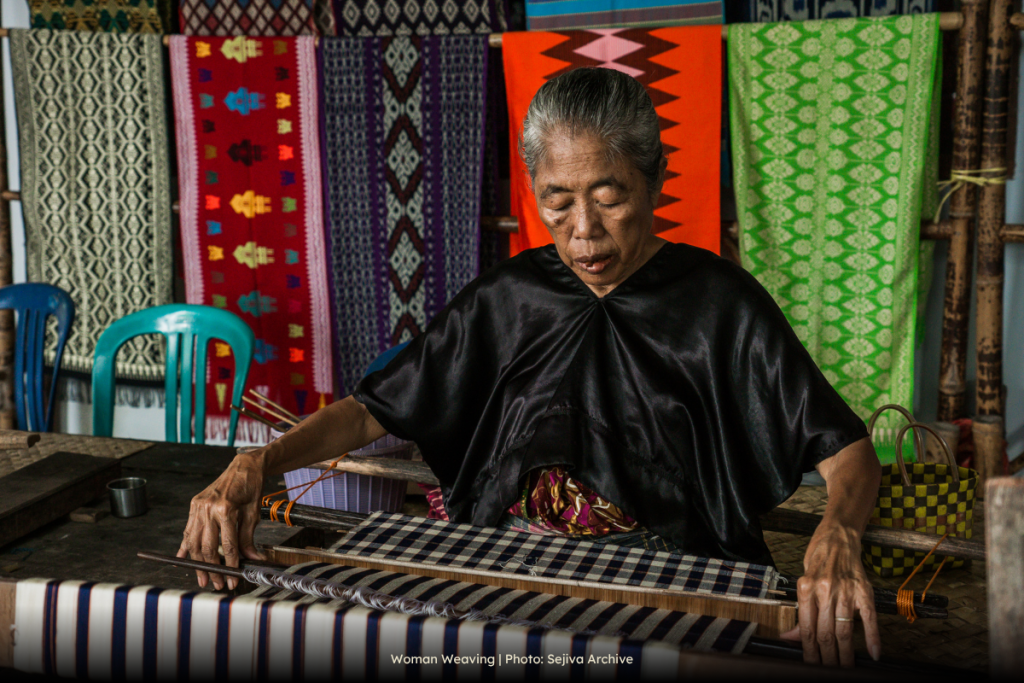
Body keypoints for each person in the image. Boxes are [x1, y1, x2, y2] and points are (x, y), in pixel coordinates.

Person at [179, 67, 882, 668]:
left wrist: (839, 530)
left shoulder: (720, 306)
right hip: (515, 575)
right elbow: (374, 406)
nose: (584, 229)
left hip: (671, 582)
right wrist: (256, 464)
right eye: (558, 201)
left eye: (609, 198)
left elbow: (847, 450)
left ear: (656, 180)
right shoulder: (512, 297)